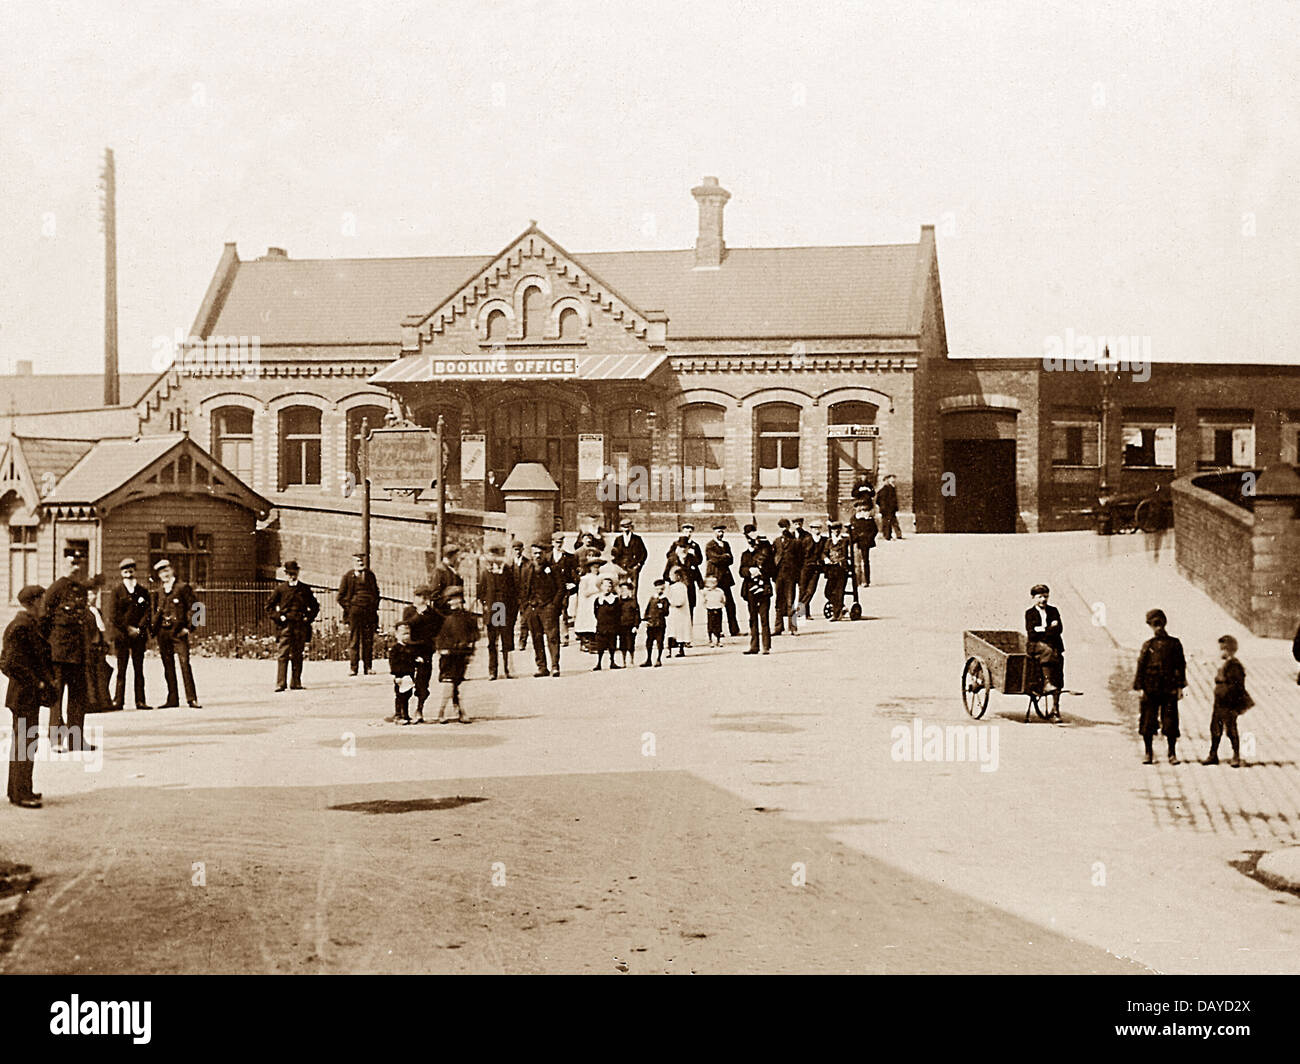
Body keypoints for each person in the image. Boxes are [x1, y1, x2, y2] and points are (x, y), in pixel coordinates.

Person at [1, 584, 52, 808]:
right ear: (34, 602)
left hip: (25, 694)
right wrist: (36, 682)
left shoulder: (26, 625)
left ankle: (19, 790)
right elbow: (9, 663)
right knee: (25, 743)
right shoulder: (21, 627)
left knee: (26, 742)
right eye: (42, 600)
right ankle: (21, 794)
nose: (45, 604)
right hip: (24, 695)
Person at [42, 550, 94, 753]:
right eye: (72, 563)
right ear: (64, 564)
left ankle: (76, 739)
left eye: (79, 563)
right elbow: (44, 620)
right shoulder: (56, 589)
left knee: (78, 697)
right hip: (58, 653)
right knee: (56, 696)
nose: (76, 567)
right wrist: (48, 647)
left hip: (78, 652)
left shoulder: (80, 589)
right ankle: (55, 740)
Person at [1134, 608, 1186, 765]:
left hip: (1169, 688)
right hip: (1150, 689)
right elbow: (1141, 666)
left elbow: (1181, 666)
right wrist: (1139, 688)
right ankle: (1148, 753)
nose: (1158, 628)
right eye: (1154, 624)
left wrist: (1180, 687)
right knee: (1148, 721)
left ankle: (1172, 753)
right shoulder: (1148, 645)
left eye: (1159, 624)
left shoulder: (1175, 644)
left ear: (1164, 624)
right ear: (1150, 626)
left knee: (1170, 721)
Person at [151, 559, 201, 708]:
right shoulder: (158, 592)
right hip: (163, 633)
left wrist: (190, 627)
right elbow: (154, 611)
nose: (164, 575)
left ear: (172, 570)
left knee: (185, 664)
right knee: (168, 666)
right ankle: (172, 698)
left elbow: (198, 608)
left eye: (166, 571)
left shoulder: (182, 587)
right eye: (161, 572)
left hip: (178, 633)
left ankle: (191, 698)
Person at [265, 560, 320, 692]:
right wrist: (279, 617)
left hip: (300, 625)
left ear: (298, 573)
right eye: (289, 573)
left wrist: (308, 619)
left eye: (294, 573)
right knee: (283, 654)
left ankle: (296, 682)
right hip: (285, 626)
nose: (292, 576)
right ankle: (280, 683)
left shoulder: (304, 589)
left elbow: (315, 606)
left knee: (297, 654)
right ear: (285, 574)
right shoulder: (281, 589)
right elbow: (269, 607)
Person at [107, 558, 152, 710]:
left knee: (139, 669)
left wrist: (139, 628)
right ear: (121, 574)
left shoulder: (143, 591)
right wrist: (128, 629)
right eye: (126, 571)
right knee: (122, 669)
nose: (129, 574)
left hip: (138, 636)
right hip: (122, 636)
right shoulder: (116, 592)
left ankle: (140, 700)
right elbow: (113, 615)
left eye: (131, 571)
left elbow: (147, 612)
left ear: (135, 572)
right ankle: (119, 700)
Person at [1204, 635, 1252, 767]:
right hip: (1219, 702)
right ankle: (1213, 754)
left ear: (1229, 650)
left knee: (1230, 729)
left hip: (1228, 703)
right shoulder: (1225, 664)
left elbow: (1237, 686)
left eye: (1222, 650)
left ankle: (1236, 755)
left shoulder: (1234, 665)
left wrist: (1233, 701)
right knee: (1215, 728)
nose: (1220, 652)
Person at [434, 586, 478, 723]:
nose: (454, 603)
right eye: (451, 600)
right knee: (450, 684)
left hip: (461, 655)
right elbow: (439, 637)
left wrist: (469, 646)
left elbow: (474, 634)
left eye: (456, 599)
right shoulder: (443, 618)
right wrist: (442, 648)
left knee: (456, 685)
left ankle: (458, 710)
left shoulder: (468, 617)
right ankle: (442, 711)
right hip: (449, 656)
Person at [520, 543, 562, 677]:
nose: (538, 556)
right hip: (532, 608)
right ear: (531, 555)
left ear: (545, 554)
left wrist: (554, 605)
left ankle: (555, 666)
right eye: (535, 553)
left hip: (548, 608)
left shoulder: (553, 569)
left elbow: (561, 588)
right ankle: (542, 667)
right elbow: (522, 589)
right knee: (536, 638)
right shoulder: (527, 569)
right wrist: (525, 607)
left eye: (540, 553)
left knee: (552, 637)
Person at [1024, 584, 1064, 720]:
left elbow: (1059, 630)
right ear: (1033, 598)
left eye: (1046, 596)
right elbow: (1032, 633)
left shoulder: (1054, 611)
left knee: (1058, 674)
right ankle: (1047, 683)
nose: (1043, 600)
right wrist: (1049, 629)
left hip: (1053, 646)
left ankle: (1056, 710)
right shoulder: (1030, 613)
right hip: (1035, 646)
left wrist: (1042, 629)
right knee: (1047, 650)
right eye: (1040, 597)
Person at [338, 552, 380, 677]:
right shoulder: (348, 577)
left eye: (362, 561)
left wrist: (373, 606)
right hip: (355, 613)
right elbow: (340, 597)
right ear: (353, 563)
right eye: (358, 561)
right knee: (354, 640)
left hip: (369, 613)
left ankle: (368, 667)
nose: (360, 563)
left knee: (368, 639)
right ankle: (353, 668)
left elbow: (376, 593)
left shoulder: (370, 575)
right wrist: (349, 608)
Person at [477, 546, 516, 681]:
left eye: (498, 555)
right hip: (493, 610)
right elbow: (480, 592)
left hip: (504, 610)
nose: (496, 559)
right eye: (493, 556)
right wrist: (486, 605)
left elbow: (513, 592)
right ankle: (492, 670)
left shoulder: (507, 571)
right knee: (492, 642)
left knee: (506, 641)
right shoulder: (486, 573)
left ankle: (508, 669)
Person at [401, 586, 440, 714]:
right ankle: (403, 711)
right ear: (414, 597)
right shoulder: (409, 611)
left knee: (423, 682)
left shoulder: (432, 613)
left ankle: (419, 709)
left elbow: (440, 626)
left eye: (425, 597)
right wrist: (419, 614)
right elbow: (407, 626)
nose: (422, 600)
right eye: (419, 597)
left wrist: (434, 642)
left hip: (425, 650)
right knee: (406, 680)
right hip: (410, 650)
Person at [740, 524, 776, 655]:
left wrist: (760, 571)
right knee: (752, 618)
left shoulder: (766, 555)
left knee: (764, 618)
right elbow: (741, 570)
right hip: (750, 589)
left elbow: (772, 569)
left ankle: (766, 646)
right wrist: (749, 571)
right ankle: (754, 646)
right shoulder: (745, 555)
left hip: (764, 589)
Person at [705, 523, 741, 637]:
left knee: (730, 604)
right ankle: (717, 631)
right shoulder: (710, 545)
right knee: (715, 604)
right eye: (718, 531)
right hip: (715, 578)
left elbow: (731, 560)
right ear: (714, 532)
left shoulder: (726, 544)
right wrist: (724, 557)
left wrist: (724, 558)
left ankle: (734, 629)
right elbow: (714, 559)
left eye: (722, 532)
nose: (720, 534)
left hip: (725, 578)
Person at [772, 518, 802, 636]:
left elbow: (800, 560)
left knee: (791, 601)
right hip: (779, 575)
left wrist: (797, 576)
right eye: (781, 527)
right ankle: (778, 627)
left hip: (790, 575)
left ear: (789, 528)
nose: (783, 529)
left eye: (785, 527)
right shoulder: (776, 541)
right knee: (779, 601)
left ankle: (793, 627)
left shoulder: (795, 542)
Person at [387, 621, 421, 724]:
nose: (406, 636)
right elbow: (393, 663)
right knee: (400, 696)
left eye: (408, 634)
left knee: (407, 695)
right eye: (404, 634)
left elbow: (411, 661)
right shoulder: (395, 649)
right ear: (397, 635)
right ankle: (398, 715)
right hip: (400, 676)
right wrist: (397, 676)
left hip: (409, 676)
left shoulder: (410, 648)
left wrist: (417, 661)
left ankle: (406, 715)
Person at [664, 536, 704, 621]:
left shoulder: (692, 558)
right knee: (678, 612)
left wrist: (701, 587)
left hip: (690, 589)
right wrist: (673, 581)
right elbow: (665, 575)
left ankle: (689, 631)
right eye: (681, 547)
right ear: (677, 547)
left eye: (685, 547)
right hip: (677, 590)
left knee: (690, 611)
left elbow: (697, 574)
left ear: (688, 548)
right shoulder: (672, 559)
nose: (683, 549)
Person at [550, 532, 578, 646]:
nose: (559, 545)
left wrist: (573, 584)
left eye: (561, 542)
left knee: (563, 613)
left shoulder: (568, 557)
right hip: (550, 590)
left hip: (563, 590)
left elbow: (575, 573)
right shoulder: (548, 557)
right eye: (557, 543)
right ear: (552, 543)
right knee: (551, 613)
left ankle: (564, 637)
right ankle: (553, 637)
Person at [821, 523, 851, 622]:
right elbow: (824, 552)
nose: (836, 531)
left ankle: (836, 614)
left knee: (839, 591)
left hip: (841, 569)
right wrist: (826, 559)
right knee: (828, 592)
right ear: (831, 530)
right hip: (831, 569)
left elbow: (846, 554)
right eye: (834, 529)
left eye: (838, 529)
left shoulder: (844, 541)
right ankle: (841, 607)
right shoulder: (829, 541)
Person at [610, 518, 648, 596]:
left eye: (628, 527)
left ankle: (633, 605)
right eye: (624, 527)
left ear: (631, 527)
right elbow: (614, 553)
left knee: (633, 588)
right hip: (621, 567)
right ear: (621, 528)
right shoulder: (618, 539)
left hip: (633, 567)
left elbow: (644, 553)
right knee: (621, 586)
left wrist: (638, 565)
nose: (626, 529)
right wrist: (617, 565)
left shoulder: (637, 539)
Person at [798, 519, 826, 621]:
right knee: (802, 590)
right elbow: (800, 555)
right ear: (811, 529)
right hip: (805, 568)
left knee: (811, 590)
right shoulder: (806, 540)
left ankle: (799, 610)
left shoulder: (824, 540)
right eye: (814, 528)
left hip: (816, 568)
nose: (816, 530)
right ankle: (804, 613)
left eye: (818, 528)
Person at [592, 576, 622, 670]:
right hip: (601, 625)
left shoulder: (615, 599)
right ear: (601, 587)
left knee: (612, 644)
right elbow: (596, 612)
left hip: (612, 625)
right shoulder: (598, 599)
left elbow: (618, 613)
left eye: (609, 586)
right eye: (605, 586)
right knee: (600, 645)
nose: (607, 588)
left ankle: (612, 662)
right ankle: (599, 663)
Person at [574, 558, 603, 653]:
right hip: (587, 604)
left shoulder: (600, 578)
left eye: (598, 567)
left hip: (596, 603)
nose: (596, 569)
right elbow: (583, 593)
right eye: (594, 567)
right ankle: (585, 643)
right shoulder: (585, 579)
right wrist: (597, 590)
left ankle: (595, 644)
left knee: (595, 623)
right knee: (587, 623)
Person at [849, 502, 878, 588]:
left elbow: (874, 530)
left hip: (865, 542)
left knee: (865, 561)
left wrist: (868, 538)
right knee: (856, 562)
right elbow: (850, 530)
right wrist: (855, 537)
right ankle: (857, 580)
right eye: (859, 508)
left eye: (864, 509)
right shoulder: (854, 519)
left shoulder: (869, 520)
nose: (861, 511)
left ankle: (866, 580)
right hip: (856, 542)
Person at [641, 580, 669, 667]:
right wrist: (645, 620)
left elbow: (666, 613)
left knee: (659, 641)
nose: (659, 591)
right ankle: (648, 659)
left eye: (661, 589)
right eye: (657, 589)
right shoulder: (652, 599)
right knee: (649, 642)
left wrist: (661, 608)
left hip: (660, 624)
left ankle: (658, 659)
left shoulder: (664, 600)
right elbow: (647, 610)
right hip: (651, 624)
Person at [665, 567, 692, 657]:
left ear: (678, 576)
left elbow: (680, 601)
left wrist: (671, 602)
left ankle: (680, 650)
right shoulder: (672, 587)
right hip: (673, 612)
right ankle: (670, 651)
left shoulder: (681, 587)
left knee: (680, 631)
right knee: (672, 631)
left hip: (680, 612)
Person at [509, 541, 529, 650]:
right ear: (512, 550)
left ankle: (522, 642)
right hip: (512, 597)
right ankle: (509, 643)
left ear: (522, 550)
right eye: (515, 549)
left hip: (524, 597)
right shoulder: (508, 564)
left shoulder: (528, 563)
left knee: (524, 621)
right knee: (510, 620)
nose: (517, 552)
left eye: (519, 549)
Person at [617, 581, 640, 667]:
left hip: (630, 625)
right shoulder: (618, 602)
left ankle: (631, 660)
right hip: (621, 625)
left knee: (631, 643)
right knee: (622, 644)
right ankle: (623, 661)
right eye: (622, 589)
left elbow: (637, 615)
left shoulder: (633, 602)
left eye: (625, 589)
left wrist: (636, 625)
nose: (623, 591)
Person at [702, 575, 726, 647]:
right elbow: (704, 600)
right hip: (710, 609)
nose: (712, 584)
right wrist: (706, 606)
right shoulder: (705, 592)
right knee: (710, 625)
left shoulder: (720, 591)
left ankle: (718, 640)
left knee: (718, 625)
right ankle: (710, 639)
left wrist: (721, 605)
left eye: (714, 582)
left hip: (718, 609)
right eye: (710, 583)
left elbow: (723, 599)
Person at [877, 474, 902, 540]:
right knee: (890, 522)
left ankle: (888, 535)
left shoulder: (888, 489)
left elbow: (878, 500)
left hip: (887, 509)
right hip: (887, 509)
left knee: (889, 522)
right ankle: (889, 535)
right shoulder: (886, 490)